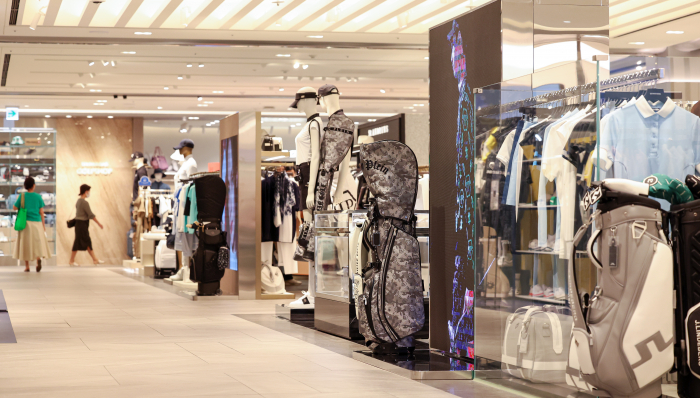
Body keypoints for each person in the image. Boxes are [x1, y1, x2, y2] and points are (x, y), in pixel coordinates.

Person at [13, 177, 52, 272]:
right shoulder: (38, 197)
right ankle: (38, 259)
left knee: (26, 244)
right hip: (37, 223)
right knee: (37, 243)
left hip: (25, 223)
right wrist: (43, 226)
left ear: (25, 186)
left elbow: (14, 208)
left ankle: (27, 266)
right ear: (34, 185)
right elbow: (41, 212)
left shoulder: (22, 196)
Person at [69, 184, 105, 266]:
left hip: (79, 225)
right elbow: (91, 215)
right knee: (81, 242)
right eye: (89, 191)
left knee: (85, 242)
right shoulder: (85, 203)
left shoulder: (78, 201)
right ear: (86, 191)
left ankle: (95, 259)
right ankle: (71, 261)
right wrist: (99, 224)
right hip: (82, 225)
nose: (89, 193)